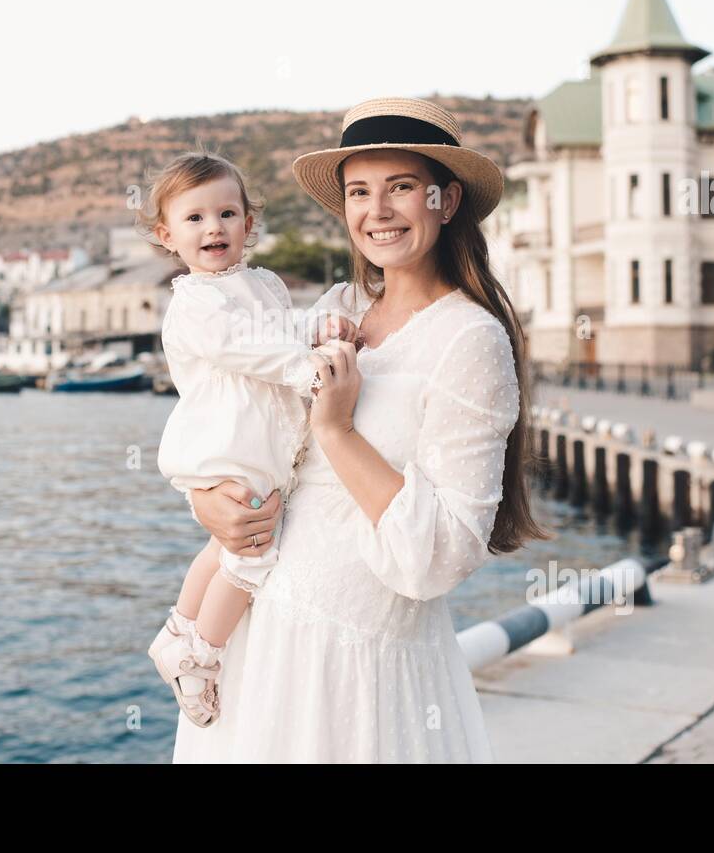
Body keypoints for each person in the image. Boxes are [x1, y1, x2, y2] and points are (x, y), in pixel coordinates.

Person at [172, 97, 551, 762]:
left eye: (401, 187)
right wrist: (208, 501)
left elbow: (442, 556)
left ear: (446, 198)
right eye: (359, 192)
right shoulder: (336, 308)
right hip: (256, 651)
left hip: (355, 681)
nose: (376, 211)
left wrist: (342, 433)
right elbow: (241, 423)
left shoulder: (469, 338)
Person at [139, 148, 359, 727]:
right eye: (194, 219)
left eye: (227, 214)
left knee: (224, 547)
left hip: (266, 440)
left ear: (248, 223)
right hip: (229, 441)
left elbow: (281, 329)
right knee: (253, 551)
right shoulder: (194, 303)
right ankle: (201, 656)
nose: (213, 227)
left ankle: (177, 631)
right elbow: (243, 346)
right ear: (167, 235)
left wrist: (319, 326)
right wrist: (304, 367)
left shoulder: (262, 283)